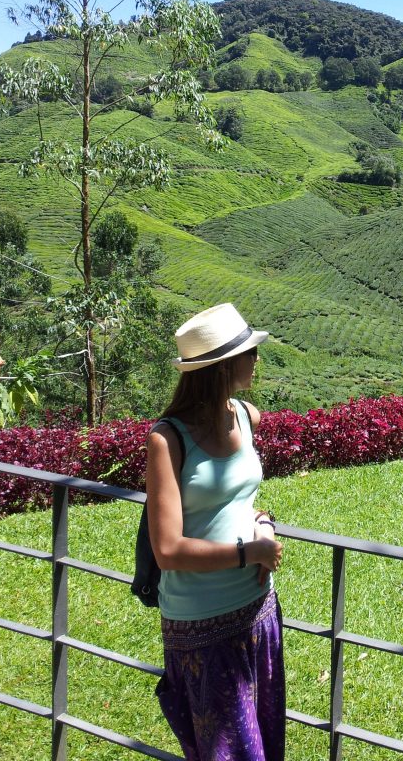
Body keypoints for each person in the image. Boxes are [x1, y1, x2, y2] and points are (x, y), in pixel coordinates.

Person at [146, 302, 285, 761]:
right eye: (250, 352)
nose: (256, 360)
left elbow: (239, 499)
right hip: (200, 623)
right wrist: (250, 551)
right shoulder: (167, 440)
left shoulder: (247, 416)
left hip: (257, 610)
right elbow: (168, 550)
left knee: (264, 742)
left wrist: (262, 522)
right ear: (224, 366)